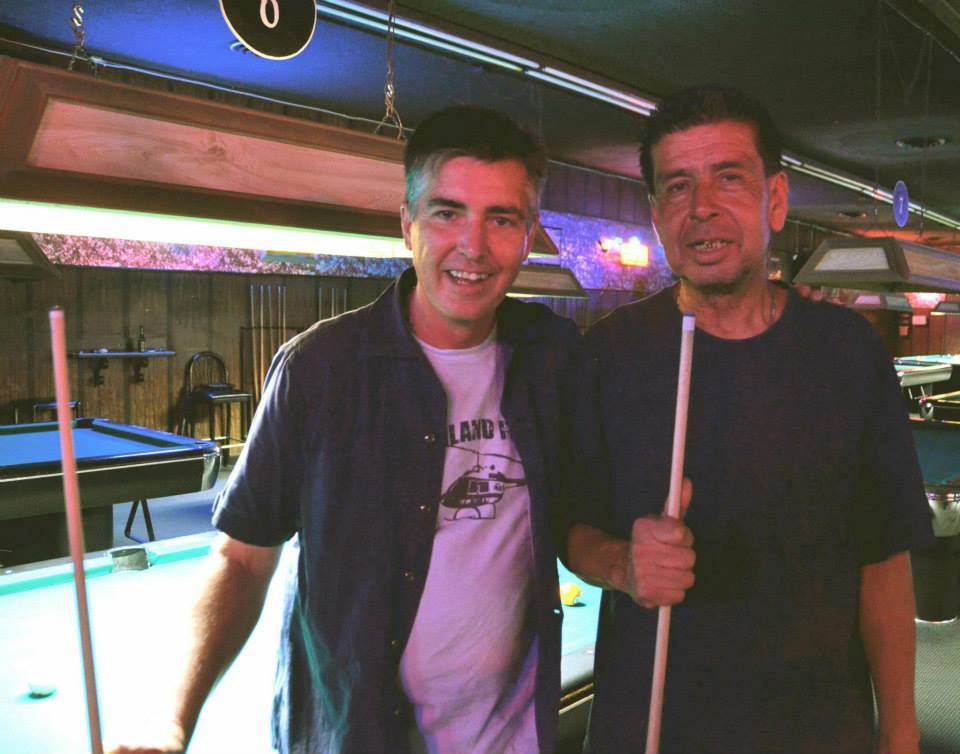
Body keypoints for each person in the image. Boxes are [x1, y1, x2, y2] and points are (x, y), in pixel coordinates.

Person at [108, 105, 580, 754]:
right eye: (447, 213)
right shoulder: (319, 368)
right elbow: (242, 558)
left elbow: (582, 514)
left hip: (513, 738)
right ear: (407, 226)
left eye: (501, 218)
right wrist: (171, 717)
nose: (472, 246)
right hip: (354, 736)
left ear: (528, 236)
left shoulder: (554, 356)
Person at [564, 85, 934, 754]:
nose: (701, 206)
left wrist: (901, 734)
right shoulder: (608, 355)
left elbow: (883, 559)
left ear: (776, 198)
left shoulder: (847, 353)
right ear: (657, 214)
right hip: (650, 730)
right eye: (677, 187)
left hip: (820, 731)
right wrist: (621, 565)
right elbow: (571, 527)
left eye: (728, 178)